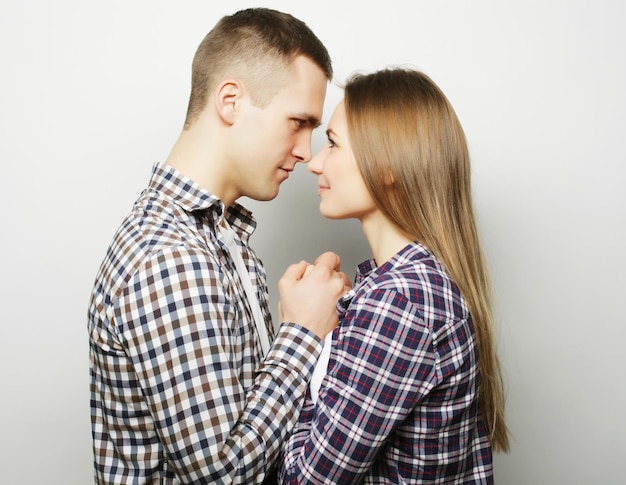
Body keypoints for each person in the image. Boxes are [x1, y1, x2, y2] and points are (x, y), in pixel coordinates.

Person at [88, 8, 349, 484]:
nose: (306, 151)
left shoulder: (221, 236)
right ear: (231, 102)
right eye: (297, 122)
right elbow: (222, 476)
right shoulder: (169, 256)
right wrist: (305, 332)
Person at [278, 68, 510, 484]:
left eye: (332, 144)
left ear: (386, 165)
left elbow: (305, 480)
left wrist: (302, 334)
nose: (314, 162)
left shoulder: (398, 303)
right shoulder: (412, 287)